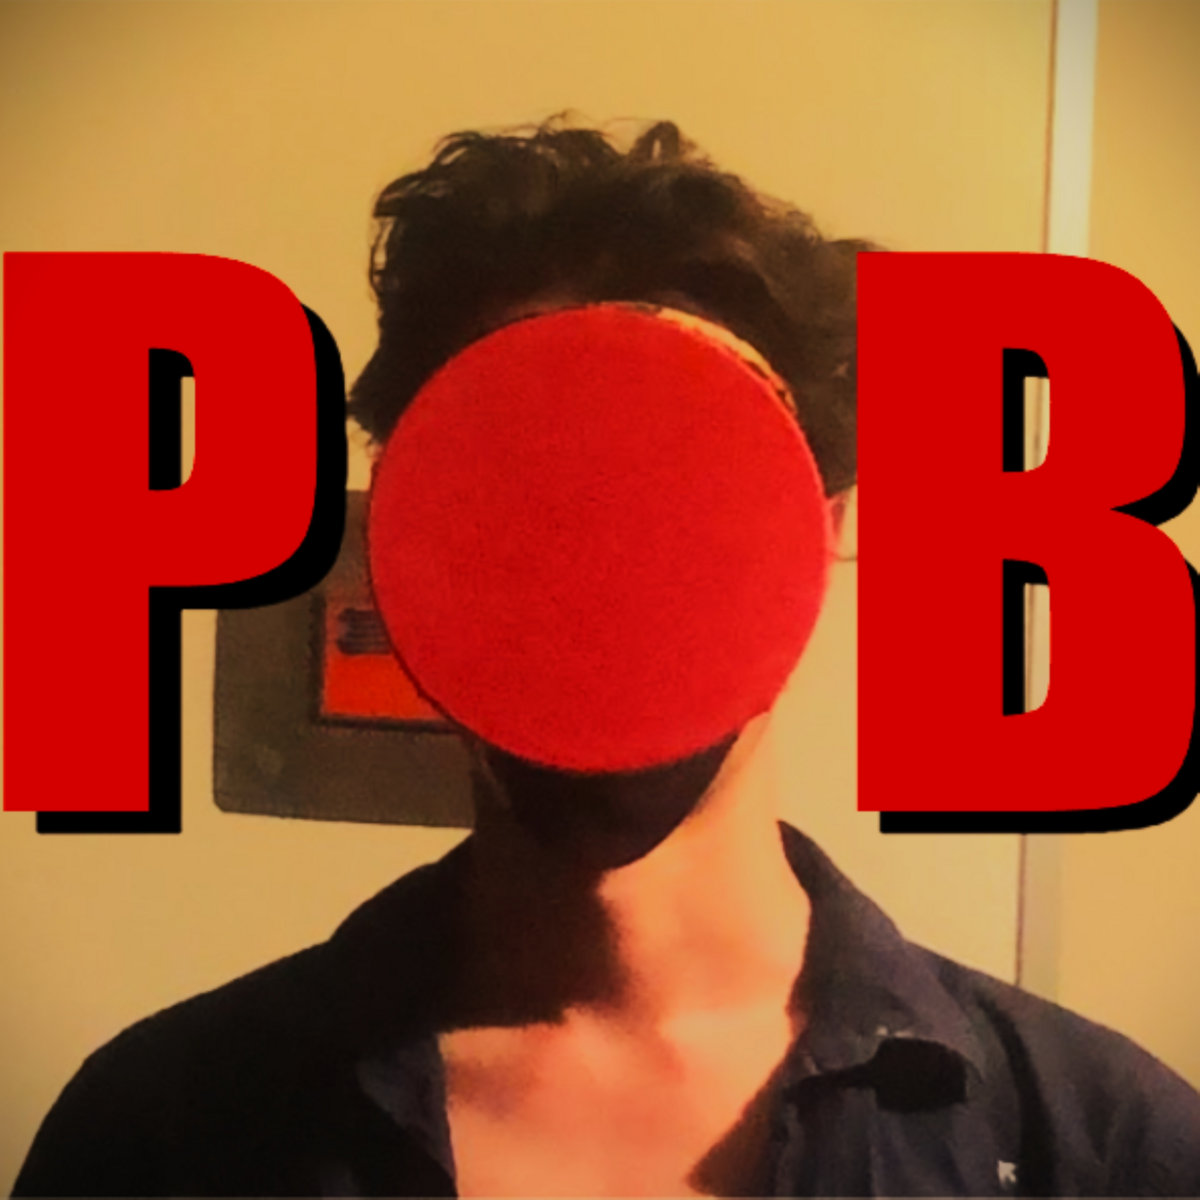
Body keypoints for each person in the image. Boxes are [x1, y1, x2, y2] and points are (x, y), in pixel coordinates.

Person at [13, 114, 1200, 1198]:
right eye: (513, 491)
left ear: (822, 527)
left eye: (681, 484)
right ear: (401, 547)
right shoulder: (160, 1138)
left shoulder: (1105, 1149)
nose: (596, 563)